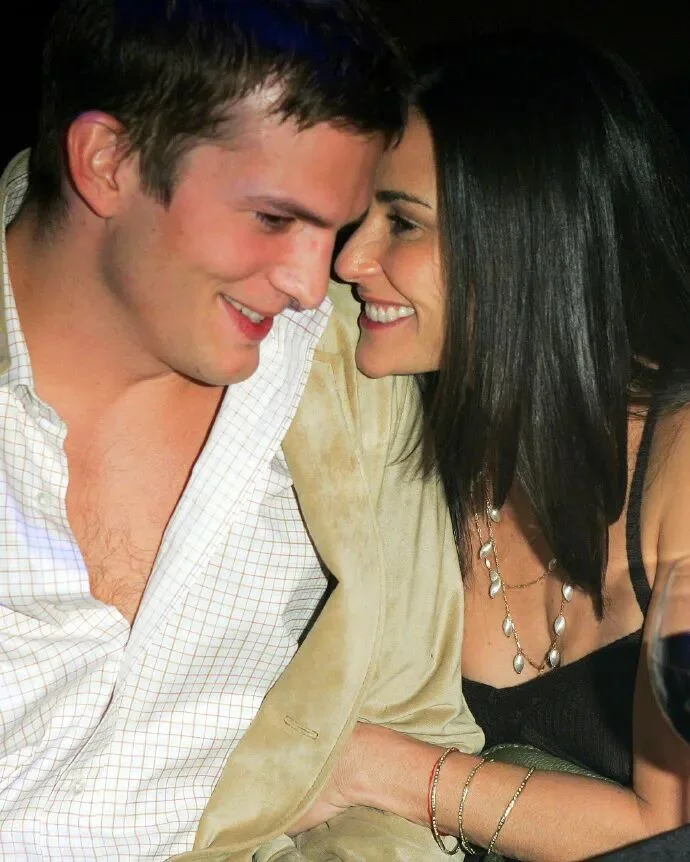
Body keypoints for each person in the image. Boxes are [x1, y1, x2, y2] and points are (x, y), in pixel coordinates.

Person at [0, 2, 485, 860]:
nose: (311, 283)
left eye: (335, 227)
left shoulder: (350, 374)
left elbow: (407, 740)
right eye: (273, 219)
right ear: (108, 162)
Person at [285, 32, 690, 861]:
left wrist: (378, 768)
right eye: (361, 215)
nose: (351, 258)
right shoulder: (402, 430)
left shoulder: (680, 466)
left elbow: (671, 823)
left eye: (402, 221)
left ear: (529, 243)